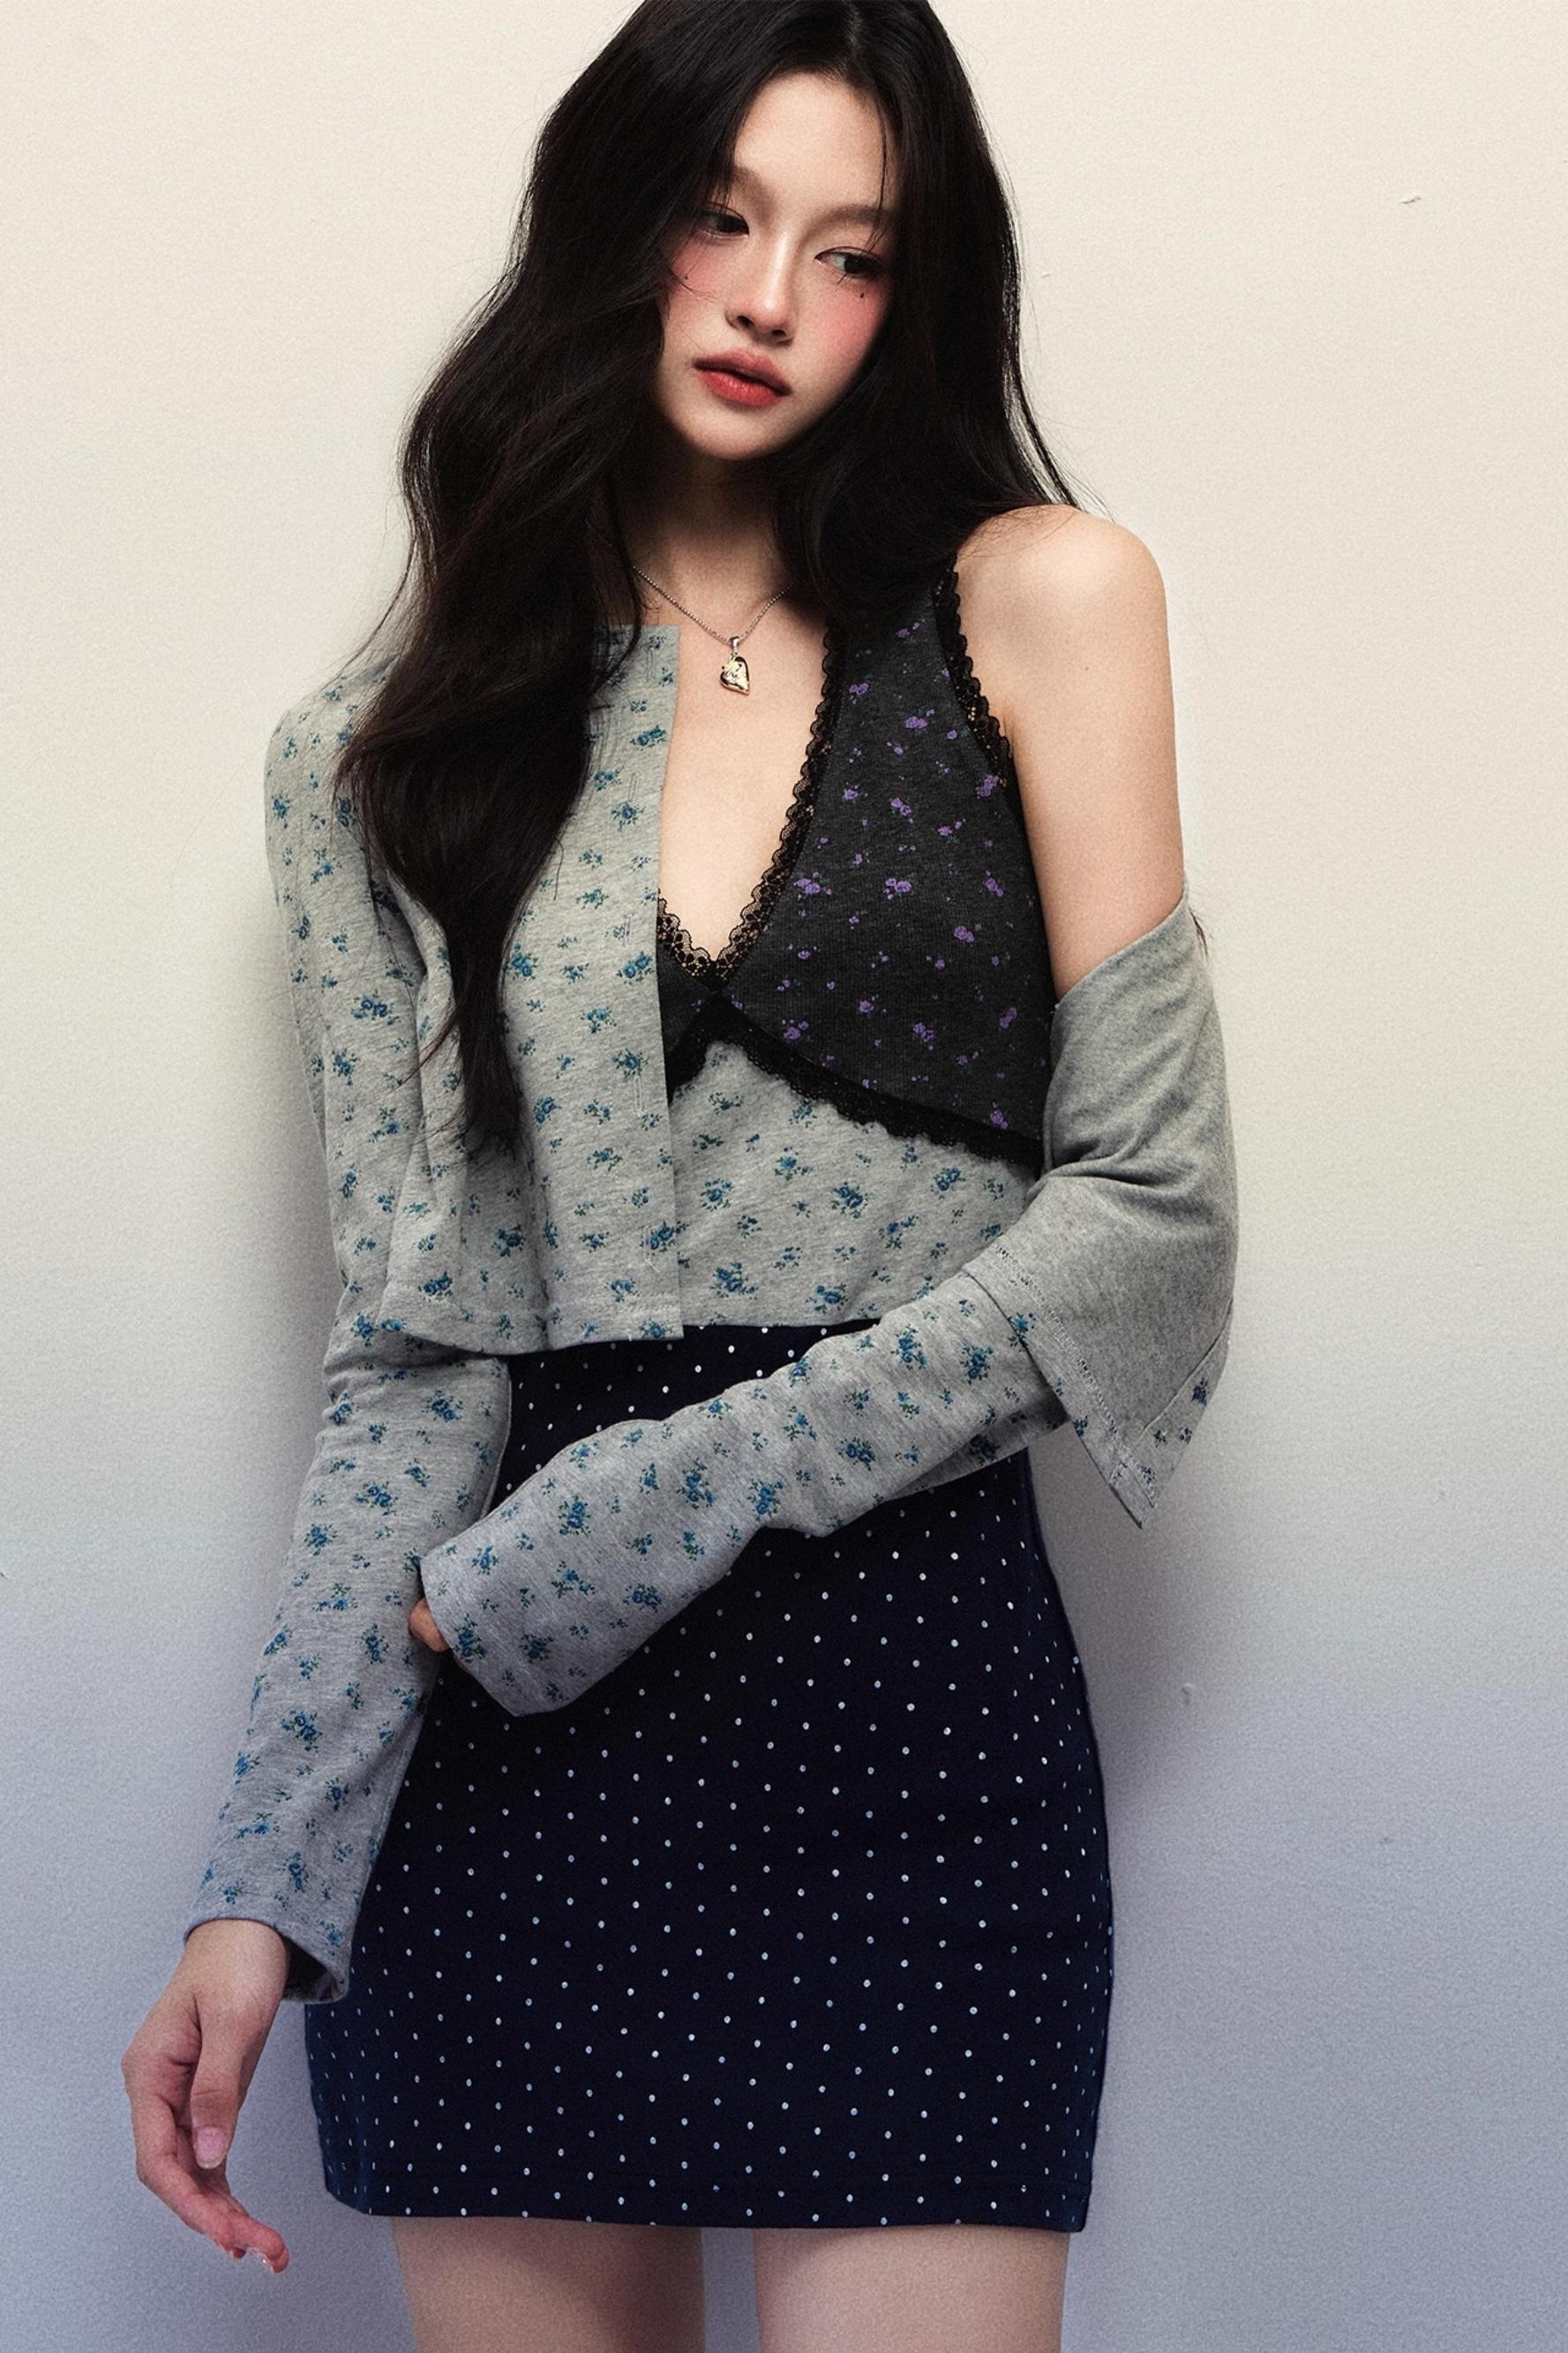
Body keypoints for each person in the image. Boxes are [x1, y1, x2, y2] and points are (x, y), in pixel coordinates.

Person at [122, 6, 1239, 2348]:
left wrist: (627, 1517)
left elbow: (1145, 1225)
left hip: (907, 1700)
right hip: (502, 1779)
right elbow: (415, 1356)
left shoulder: (1040, 606)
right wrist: (264, 1882)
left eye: (851, 252)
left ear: (913, 294)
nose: (767, 300)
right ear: (610, 224)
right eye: (719, 218)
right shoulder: (378, 756)